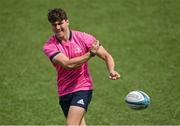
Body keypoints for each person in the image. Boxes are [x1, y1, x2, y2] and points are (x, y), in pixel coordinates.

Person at [43, 8, 120, 125]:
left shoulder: (84, 38)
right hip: (64, 91)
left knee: (72, 124)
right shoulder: (50, 46)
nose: (58, 27)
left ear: (67, 22)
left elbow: (106, 55)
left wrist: (112, 70)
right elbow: (68, 65)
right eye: (54, 25)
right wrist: (90, 54)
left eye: (60, 23)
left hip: (82, 87)